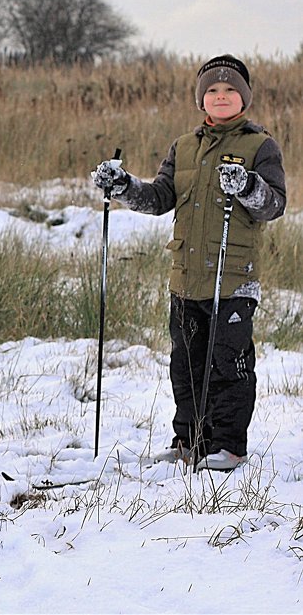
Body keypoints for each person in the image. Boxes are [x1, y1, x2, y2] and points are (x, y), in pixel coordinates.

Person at [91, 54, 287, 472]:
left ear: (244, 98)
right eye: (212, 91)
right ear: (201, 99)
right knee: (185, 366)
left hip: (232, 281)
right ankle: (190, 441)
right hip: (185, 279)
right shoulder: (184, 146)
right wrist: (124, 186)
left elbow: (274, 205)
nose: (221, 96)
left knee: (228, 366)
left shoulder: (260, 146)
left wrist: (249, 186)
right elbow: (160, 198)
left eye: (230, 90)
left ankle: (229, 445)